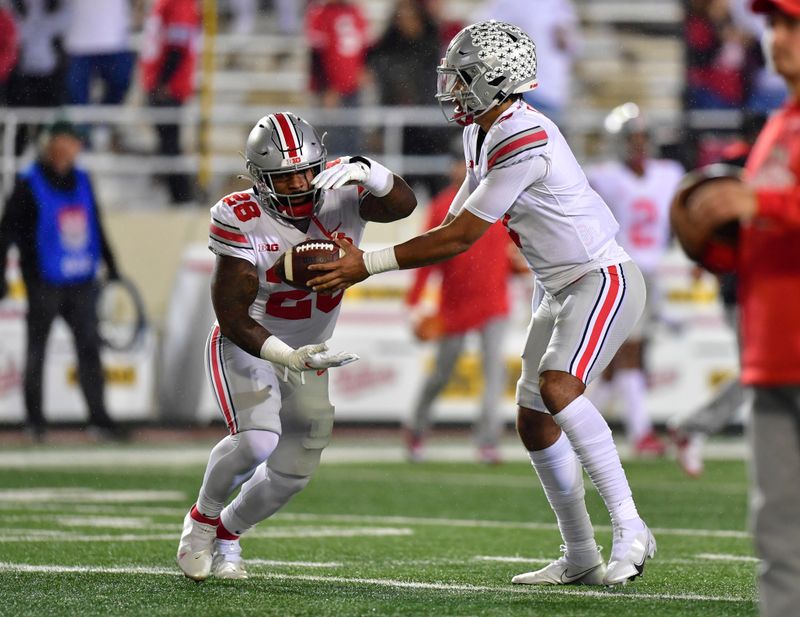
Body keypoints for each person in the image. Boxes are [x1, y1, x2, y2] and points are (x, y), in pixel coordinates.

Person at [310, 20, 655, 587]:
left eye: (463, 78)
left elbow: (460, 238)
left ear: (497, 81)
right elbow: (450, 223)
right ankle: (581, 552)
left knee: (559, 388)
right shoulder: (483, 130)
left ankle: (631, 526)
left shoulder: (523, 134)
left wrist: (365, 265)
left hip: (601, 276)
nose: (451, 88)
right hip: (560, 285)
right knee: (534, 422)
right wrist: (372, 231)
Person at [176, 112, 417, 581]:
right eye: (288, 177)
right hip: (250, 343)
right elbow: (232, 316)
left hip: (313, 347)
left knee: (295, 469)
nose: (304, 183)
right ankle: (201, 520)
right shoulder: (240, 217)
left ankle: (229, 533)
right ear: (262, 180)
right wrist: (287, 356)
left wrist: (377, 173)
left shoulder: (342, 191)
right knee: (257, 441)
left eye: (309, 170)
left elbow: (402, 206)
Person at [669, 1, 800, 614]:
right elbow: (761, 236)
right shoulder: (779, 122)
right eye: (774, 25)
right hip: (773, 356)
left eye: (793, 25)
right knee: (775, 534)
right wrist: (715, 246)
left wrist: (762, 206)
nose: (778, 38)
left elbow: (771, 208)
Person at [0, 120, 124, 441]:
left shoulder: (82, 179)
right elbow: (7, 231)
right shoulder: (29, 183)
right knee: (37, 350)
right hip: (43, 282)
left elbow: (96, 224)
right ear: (50, 144)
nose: (68, 148)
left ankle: (100, 420)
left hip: (81, 280)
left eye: (73, 142)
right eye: (63, 141)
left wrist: (112, 265)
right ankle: (35, 423)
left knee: (89, 349)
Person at [404, 154, 520, 465]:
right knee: (441, 374)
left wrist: (522, 268)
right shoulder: (443, 207)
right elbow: (425, 254)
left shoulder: (501, 202)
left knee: (494, 373)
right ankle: (415, 429)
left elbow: (507, 255)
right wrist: (415, 303)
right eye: (458, 163)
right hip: (454, 305)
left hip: (494, 301)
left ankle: (488, 441)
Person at [585, 103, 685, 456]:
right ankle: (641, 433)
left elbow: (681, 216)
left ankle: (578, 427)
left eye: (643, 138)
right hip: (622, 271)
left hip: (652, 273)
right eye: (632, 138)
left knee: (617, 363)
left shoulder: (668, 173)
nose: (638, 145)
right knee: (630, 353)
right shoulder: (603, 176)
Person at [475, 0, 581, 127]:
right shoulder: (508, 3)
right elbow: (481, 33)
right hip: (521, 89)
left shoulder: (559, 4)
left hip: (552, 92)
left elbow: (573, 46)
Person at [139, 0, 201, 205]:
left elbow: (177, 46)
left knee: (169, 143)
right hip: (160, 83)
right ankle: (179, 193)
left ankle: (182, 196)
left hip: (168, 87)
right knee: (167, 142)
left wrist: (162, 82)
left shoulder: (179, 3)